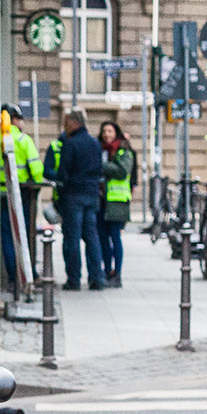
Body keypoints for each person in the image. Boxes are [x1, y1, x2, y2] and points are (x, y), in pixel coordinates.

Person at [55, 108, 106, 290]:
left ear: (74, 122)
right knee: (92, 237)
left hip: (73, 196)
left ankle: (74, 280)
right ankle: (97, 278)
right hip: (91, 195)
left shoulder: (70, 144)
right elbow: (100, 170)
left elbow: (63, 173)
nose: (64, 126)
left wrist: (60, 194)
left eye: (66, 122)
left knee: (72, 238)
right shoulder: (95, 144)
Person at [0, 104, 44, 290]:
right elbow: (37, 170)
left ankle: (12, 277)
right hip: (23, 194)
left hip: (1, 195)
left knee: (8, 236)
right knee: (24, 235)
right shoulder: (23, 140)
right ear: (15, 120)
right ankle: (27, 274)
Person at [98, 120, 136, 288]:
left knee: (115, 237)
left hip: (117, 201)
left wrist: (102, 166)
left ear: (116, 133)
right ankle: (107, 271)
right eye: (104, 131)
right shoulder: (99, 150)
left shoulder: (123, 151)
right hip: (101, 200)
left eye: (110, 131)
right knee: (103, 239)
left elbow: (122, 172)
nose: (107, 134)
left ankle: (117, 273)